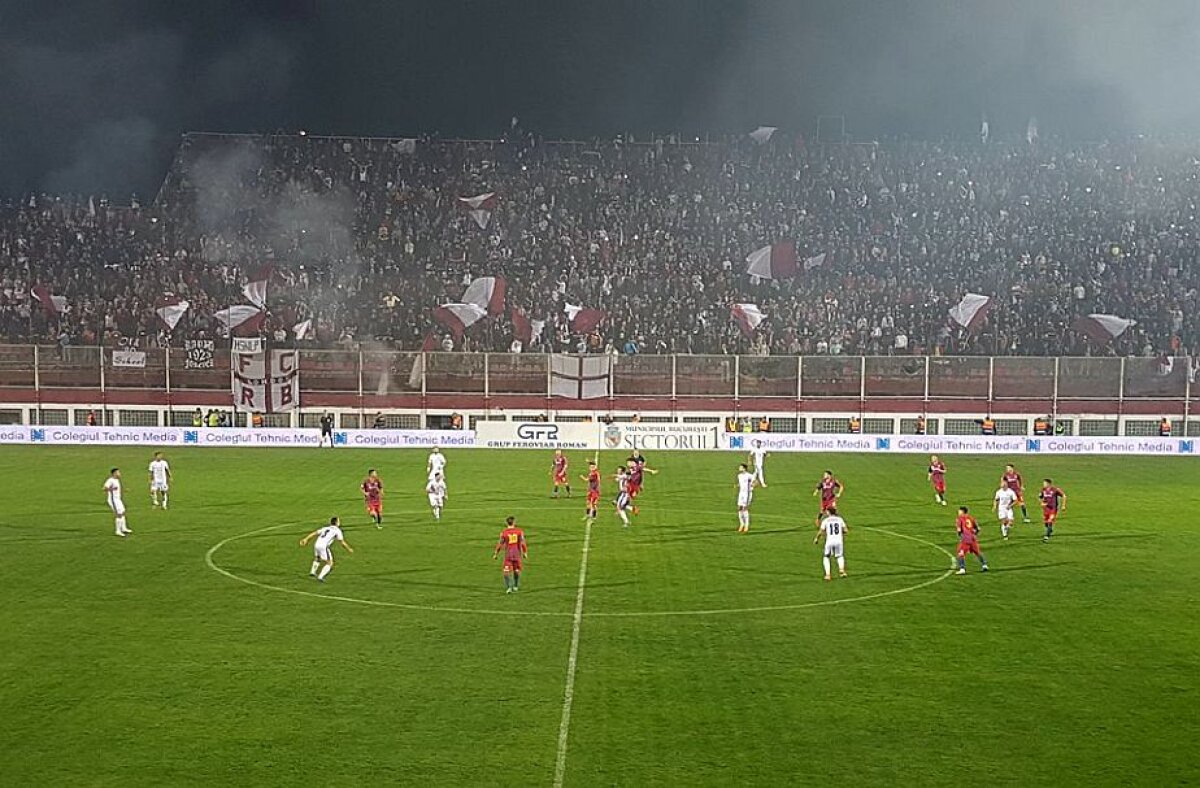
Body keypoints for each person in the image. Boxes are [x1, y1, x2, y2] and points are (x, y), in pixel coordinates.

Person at [300, 516, 353, 583]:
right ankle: (321, 576)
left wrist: (306, 539)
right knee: (330, 563)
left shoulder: (325, 528)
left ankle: (312, 572)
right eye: (339, 521)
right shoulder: (337, 530)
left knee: (317, 558)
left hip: (317, 544)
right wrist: (349, 549)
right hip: (323, 547)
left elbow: (314, 533)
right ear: (336, 523)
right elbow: (342, 542)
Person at [493, 516, 528, 593]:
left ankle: (509, 587)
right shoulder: (519, 532)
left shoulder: (504, 533)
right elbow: (523, 543)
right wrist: (525, 553)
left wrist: (496, 553)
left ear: (506, 523)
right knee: (516, 570)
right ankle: (515, 586)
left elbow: (500, 544)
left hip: (508, 555)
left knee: (506, 571)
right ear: (514, 522)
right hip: (517, 554)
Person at [814, 507, 849, 581]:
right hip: (839, 541)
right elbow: (846, 530)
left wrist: (817, 538)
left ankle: (828, 575)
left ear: (828, 512)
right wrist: (840, 532)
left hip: (830, 541)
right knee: (839, 556)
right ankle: (842, 571)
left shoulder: (826, 520)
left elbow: (821, 531)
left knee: (826, 556)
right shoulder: (840, 519)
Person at [954, 506, 989, 575]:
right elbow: (978, 529)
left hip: (965, 539)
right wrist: (974, 534)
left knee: (960, 553)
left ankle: (962, 568)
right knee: (977, 552)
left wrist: (960, 536)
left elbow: (959, 530)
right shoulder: (971, 518)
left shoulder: (960, 518)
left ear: (962, 511)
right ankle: (984, 565)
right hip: (973, 538)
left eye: (959, 511)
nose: (958, 512)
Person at [104, 467, 130, 537]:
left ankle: (124, 528)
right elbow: (105, 488)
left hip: (118, 499)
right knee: (119, 514)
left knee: (123, 512)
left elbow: (117, 489)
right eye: (118, 472)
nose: (119, 473)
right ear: (114, 473)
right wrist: (112, 489)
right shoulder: (110, 480)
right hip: (113, 500)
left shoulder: (117, 480)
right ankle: (118, 531)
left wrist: (124, 490)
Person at [736, 463, 756, 533]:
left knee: (745, 508)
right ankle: (742, 524)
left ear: (744, 468)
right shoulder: (739, 476)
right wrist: (737, 485)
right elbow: (740, 483)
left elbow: (755, 482)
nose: (739, 468)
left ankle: (746, 525)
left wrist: (752, 485)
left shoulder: (749, 476)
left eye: (740, 467)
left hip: (747, 494)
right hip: (741, 493)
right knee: (739, 508)